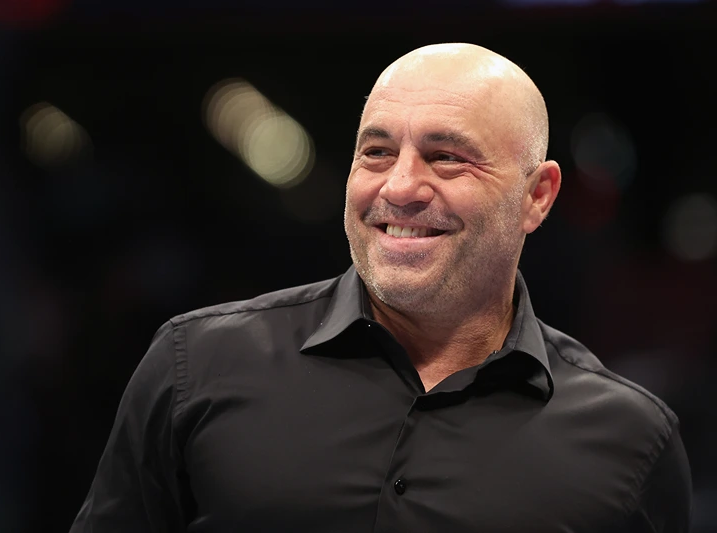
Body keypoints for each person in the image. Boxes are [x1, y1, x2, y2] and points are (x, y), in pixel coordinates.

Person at [70, 43, 692, 532]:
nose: (399, 187)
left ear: (537, 197)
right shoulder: (196, 366)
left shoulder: (631, 439)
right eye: (376, 152)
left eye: (446, 156)